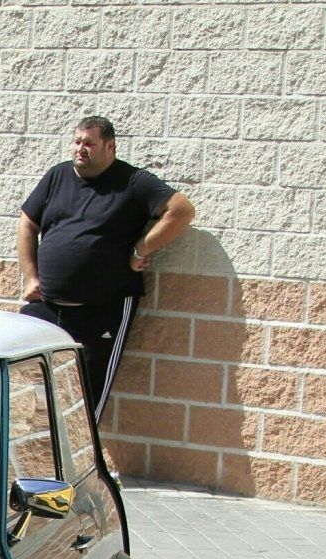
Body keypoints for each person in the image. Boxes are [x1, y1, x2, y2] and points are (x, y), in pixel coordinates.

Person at [18, 115, 196, 420]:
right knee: (29, 383)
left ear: (110, 146)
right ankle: (37, 461)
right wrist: (31, 277)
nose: (80, 149)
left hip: (103, 309)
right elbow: (27, 223)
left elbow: (181, 211)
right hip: (46, 304)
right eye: (77, 141)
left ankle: (83, 464)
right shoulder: (57, 176)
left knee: (85, 398)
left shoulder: (133, 182)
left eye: (89, 143)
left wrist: (141, 249)